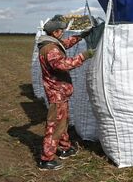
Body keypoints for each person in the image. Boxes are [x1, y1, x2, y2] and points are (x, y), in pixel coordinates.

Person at [36, 16, 94, 170]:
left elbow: (64, 45)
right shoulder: (50, 49)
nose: (62, 34)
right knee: (55, 125)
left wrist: (81, 36)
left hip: (60, 92)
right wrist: (84, 56)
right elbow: (62, 65)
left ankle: (65, 148)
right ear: (55, 32)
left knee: (63, 120)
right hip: (57, 93)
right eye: (61, 31)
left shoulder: (51, 43)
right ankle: (46, 158)